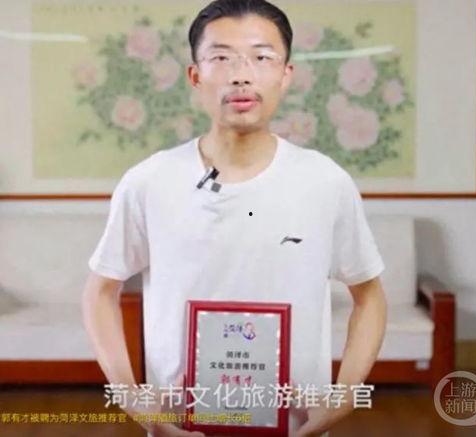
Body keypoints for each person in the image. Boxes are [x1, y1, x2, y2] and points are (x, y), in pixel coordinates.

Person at [82, 0, 387, 436]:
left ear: (286, 75)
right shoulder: (149, 181)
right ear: (195, 76)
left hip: (297, 426)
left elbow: (369, 295)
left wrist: (342, 399)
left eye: (261, 58)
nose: (241, 75)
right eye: (221, 58)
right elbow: (100, 291)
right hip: (178, 427)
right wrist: (135, 400)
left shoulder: (325, 181)